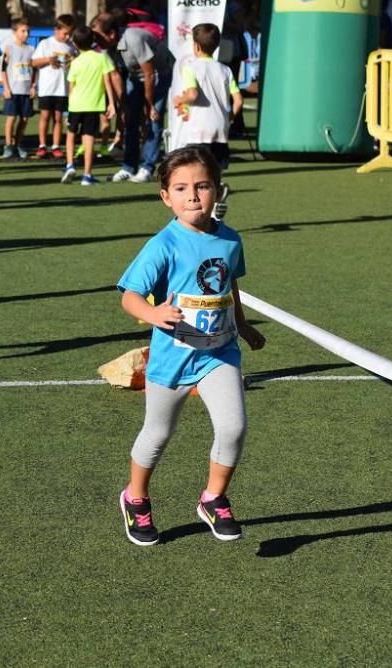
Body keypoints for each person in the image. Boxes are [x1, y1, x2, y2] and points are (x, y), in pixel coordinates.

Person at [116, 145, 265, 546]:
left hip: (219, 353)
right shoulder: (163, 246)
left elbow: (228, 284)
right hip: (173, 358)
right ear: (166, 197)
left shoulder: (230, 241)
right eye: (181, 188)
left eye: (202, 186)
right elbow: (129, 295)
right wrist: (152, 314)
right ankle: (135, 497)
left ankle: (213, 498)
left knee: (234, 426)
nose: (193, 195)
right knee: (158, 433)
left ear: (218, 190)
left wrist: (244, 325)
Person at [96, 10, 174, 183]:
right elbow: (115, 75)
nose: (97, 41)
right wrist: (123, 105)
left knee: (152, 119)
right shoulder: (105, 47)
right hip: (135, 75)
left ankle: (147, 167)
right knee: (130, 119)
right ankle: (128, 167)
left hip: (160, 73)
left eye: (99, 36)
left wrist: (150, 105)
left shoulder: (133, 39)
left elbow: (150, 74)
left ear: (112, 34)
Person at [172, 24, 243, 170]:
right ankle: (218, 189)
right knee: (216, 169)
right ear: (217, 45)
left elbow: (192, 94)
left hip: (199, 129)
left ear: (196, 46)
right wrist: (229, 118)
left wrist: (179, 99)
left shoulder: (191, 68)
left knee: (196, 169)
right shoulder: (225, 69)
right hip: (220, 129)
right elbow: (239, 100)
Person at [61, 27, 115, 186]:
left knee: (71, 134)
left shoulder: (76, 62)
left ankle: (70, 165)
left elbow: (71, 86)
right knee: (89, 137)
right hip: (94, 104)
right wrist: (111, 103)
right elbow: (107, 81)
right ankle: (87, 175)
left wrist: (69, 106)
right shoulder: (101, 58)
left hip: (76, 104)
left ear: (75, 44)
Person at [31, 13, 75, 159]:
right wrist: (49, 60)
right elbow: (34, 62)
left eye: (70, 34)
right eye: (65, 33)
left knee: (58, 118)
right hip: (47, 88)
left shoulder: (70, 46)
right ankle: (42, 145)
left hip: (62, 88)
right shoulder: (46, 43)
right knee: (45, 116)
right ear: (56, 29)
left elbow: (74, 62)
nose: (67, 37)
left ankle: (55, 146)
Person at [1, 17, 34, 159]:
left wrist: (33, 86)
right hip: (13, 90)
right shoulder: (9, 49)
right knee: (11, 118)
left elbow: (35, 69)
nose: (26, 34)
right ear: (14, 32)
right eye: (22, 31)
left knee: (25, 119)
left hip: (26, 90)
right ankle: (8, 144)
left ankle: (19, 142)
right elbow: (3, 69)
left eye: (27, 31)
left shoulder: (32, 49)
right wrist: (6, 87)